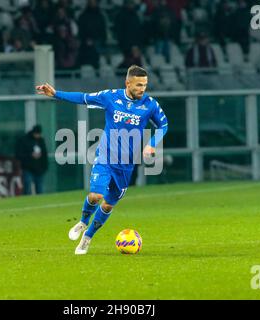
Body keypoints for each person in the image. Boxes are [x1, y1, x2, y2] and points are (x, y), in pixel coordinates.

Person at [35, 65, 168, 255]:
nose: (142, 89)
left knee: (108, 205)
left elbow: (164, 125)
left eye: (145, 85)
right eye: (138, 85)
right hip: (105, 157)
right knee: (96, 196)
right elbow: (83, 97)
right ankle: (82, 221)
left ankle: (87, 237)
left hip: (127, 165)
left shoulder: (150, 105)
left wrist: (152, 143)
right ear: (127, 83)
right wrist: (56, 94)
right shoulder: (110, 96)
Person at [16, 125, 48, 195]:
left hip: (39, 169)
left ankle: (40, 202)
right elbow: (19, 154)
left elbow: (44, 154)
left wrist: (44, 167)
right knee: (27, 186)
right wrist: (30, 155)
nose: (38, 135)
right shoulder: (24, 140)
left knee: (40, 189)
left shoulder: (41, 141)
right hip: (28, 168)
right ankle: (26, 200)